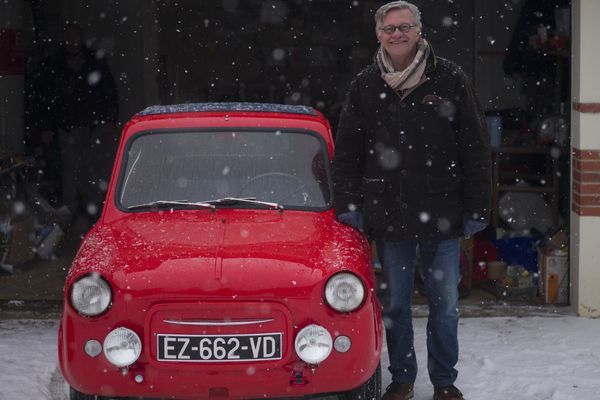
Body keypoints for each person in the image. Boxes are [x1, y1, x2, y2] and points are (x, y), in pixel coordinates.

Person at [331, 2, 491, 400]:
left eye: (405, 27)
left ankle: (444, 382)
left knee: (445, 307)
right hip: (389, 213)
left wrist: (476, 207)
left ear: (419, 31)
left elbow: (474, 145)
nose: (397, 34)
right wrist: (350, 204)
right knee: (396, 305)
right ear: (378, 35)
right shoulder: (366, 84)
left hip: (443, 211)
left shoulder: (449, 78)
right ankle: (402, 377)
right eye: (390, 28)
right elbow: (348, 151)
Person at [37, 23, 118, 224]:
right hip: (68, 125)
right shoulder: (54, 64)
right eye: (68, 38)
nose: (72, 42)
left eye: (75, 38)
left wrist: (110, 119)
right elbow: (46, 96)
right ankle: (71, 209)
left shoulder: (93, 61)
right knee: (70, 168)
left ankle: (92, 208)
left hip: (91, 123)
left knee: (92, 166)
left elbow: (108, 90)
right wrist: (46, 126)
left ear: (81, 38)